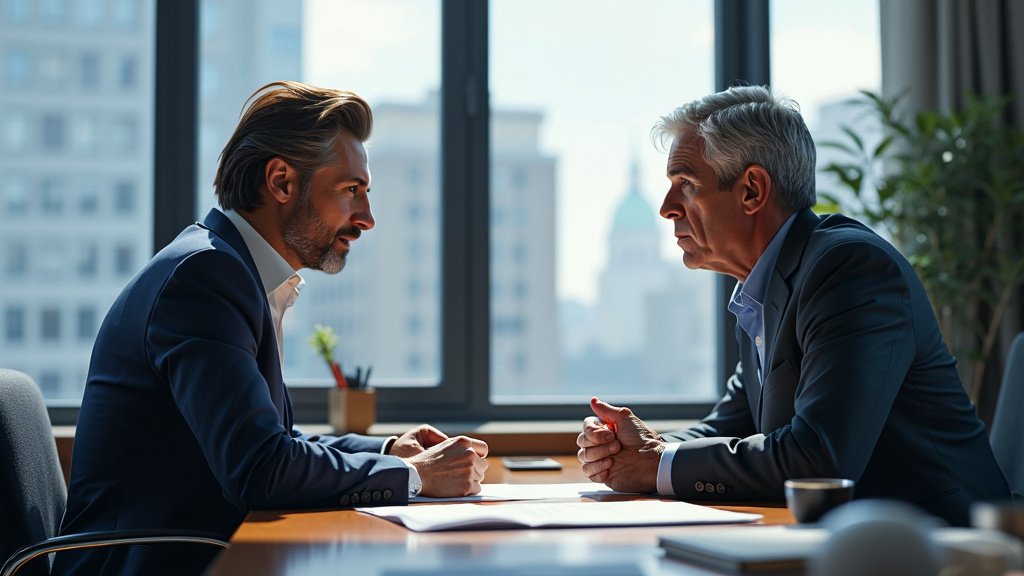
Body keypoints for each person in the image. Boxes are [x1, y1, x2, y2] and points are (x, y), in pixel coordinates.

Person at [54, 81, 488, 575]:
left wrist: (390, 450)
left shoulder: (232, 270)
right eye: (351, 190)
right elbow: (259, 469)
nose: (366, 218)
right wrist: (412, 476)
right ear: (281, 181)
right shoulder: (204, 278)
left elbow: (273, 440)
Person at [576, 85, 1009, 527]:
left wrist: (658, 462)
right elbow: (735, 424)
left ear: (752, 191)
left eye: (685, 185)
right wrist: (636, 449)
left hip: (946, 548)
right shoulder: (761, 287)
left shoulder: (851, 270)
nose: (667, 209)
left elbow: (818, 461)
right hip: (854, 541)